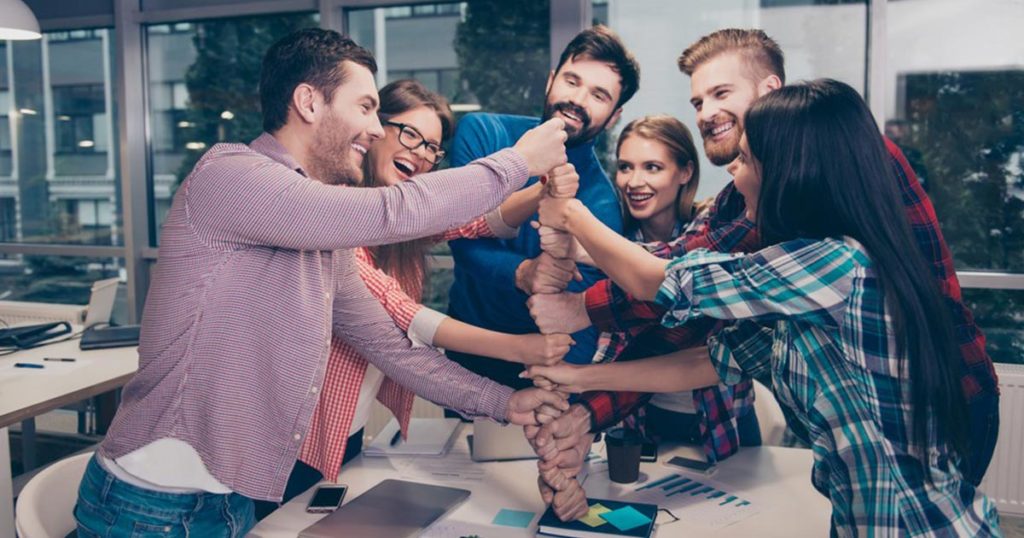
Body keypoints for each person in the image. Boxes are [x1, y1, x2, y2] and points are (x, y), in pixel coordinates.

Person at [73, 29, 570, 536]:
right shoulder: (230, 175)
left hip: (225, 505)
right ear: (308, 101)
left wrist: (504, 403)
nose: (377, 129)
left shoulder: (319, 238)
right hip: (149, 509)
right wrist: (517, 163)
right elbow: (392, 210)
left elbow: (393, 351)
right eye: (366, 107)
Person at [525, 30, 999, 513]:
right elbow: (708, 344)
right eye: (698, 100)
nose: (706, 112)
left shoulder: (830, 244)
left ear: (772, 94)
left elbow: (673, 283)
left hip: (943, 404)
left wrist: (576, 263)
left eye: (721, 93)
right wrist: (579, 384)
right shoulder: (754, 207)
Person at [286, 79, 579, 517]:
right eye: (410, 135)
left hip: (347, 428)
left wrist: (543, 191)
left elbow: (473, 221)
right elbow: (399, 316)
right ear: (373, 128)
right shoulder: (337, 213)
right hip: (297, 437)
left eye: (432, 147)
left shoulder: (399, 219)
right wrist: (521, 347)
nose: (421, 153)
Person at [548, 114, 759, 464]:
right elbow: (613, 338)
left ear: (685, 172)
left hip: (724, 417)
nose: (635, 181)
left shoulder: (715, 226)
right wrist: (585, 417)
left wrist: (587, 251)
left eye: (652, 167)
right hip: (644, 419)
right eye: (626, 167)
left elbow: (673, 274)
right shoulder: (612, 238)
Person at [445, 25, 640, 394]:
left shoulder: (601, 203)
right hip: (464, 344)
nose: (578, 99)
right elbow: (459, 237)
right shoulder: (483, 133)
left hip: (538, 365)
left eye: (598, 95)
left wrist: (563, 391)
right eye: (571, 81)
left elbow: (583, 314)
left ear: (614, 115)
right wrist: (523, 272)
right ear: (551, 80)